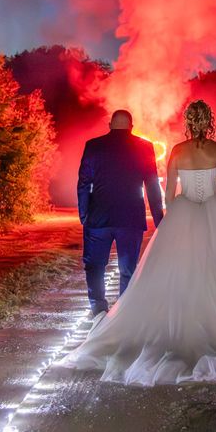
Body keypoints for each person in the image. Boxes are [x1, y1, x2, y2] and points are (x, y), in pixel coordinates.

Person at [65, 100, 216, 385]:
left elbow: (168, 193)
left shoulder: (176, 151)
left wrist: (170, 217)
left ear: (188, 122)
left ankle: (133, 317)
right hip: (214, 212)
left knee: (173, 271)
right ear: (209, 122)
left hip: (175, 212)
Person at [77, 109, 163, 318]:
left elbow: (84, 183)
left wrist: (84, 213)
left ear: (110, 125)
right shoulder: (144, 147)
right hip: (130, 217)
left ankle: (98, 308)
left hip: (98, 218)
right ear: (131, 126)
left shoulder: (94, 146)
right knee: (128, 268)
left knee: (95, 265)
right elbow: (152, 185)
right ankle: (124, 311)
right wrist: (159, 219)